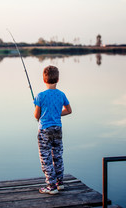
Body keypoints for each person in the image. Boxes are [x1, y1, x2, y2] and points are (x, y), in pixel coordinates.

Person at [34, 65, 72, 195]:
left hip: (44, 130)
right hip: (57, 129)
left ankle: (51, 186)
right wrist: (56, 113)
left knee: (46, 158)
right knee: (57, 155)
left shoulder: (40, 96)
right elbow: (68, 110)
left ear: (44, 80)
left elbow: (36, 116)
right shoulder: (61, 95)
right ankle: (59, 183)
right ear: (58, 79)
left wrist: (43, 112)